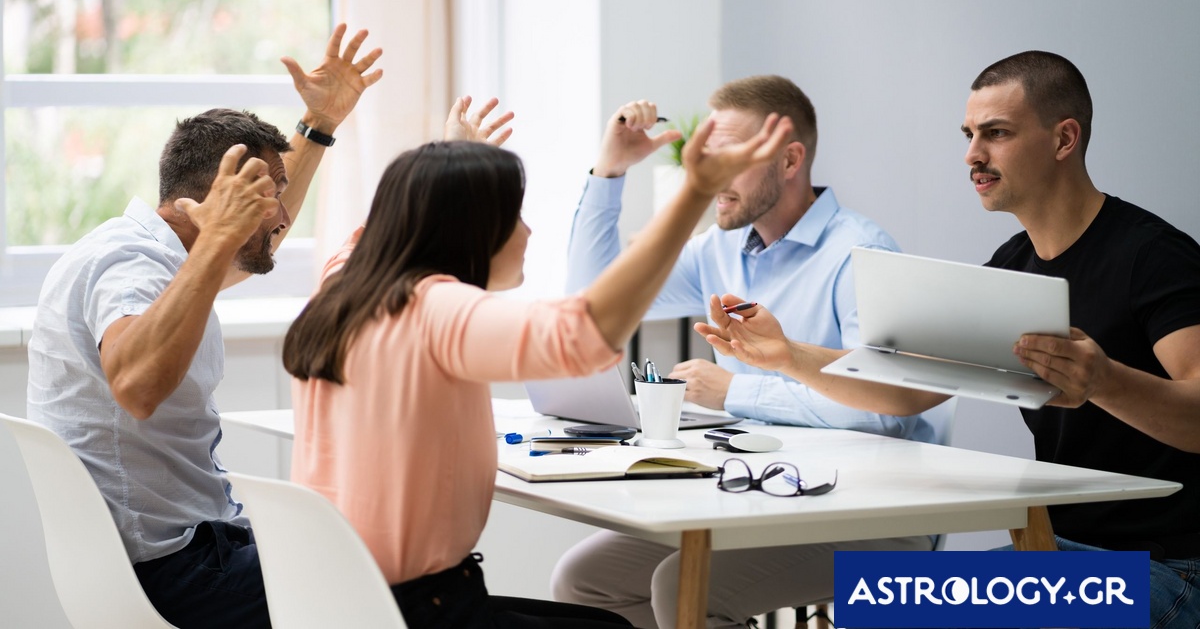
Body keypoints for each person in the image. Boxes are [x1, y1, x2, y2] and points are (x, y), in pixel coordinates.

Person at [696, 51, 1200, 628]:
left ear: (1064, 139)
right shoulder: (1011, 268)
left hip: (1170, 567)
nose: (972, 155)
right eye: (968, 135)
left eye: (997, 133)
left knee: (914, 612)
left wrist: (1105, 381)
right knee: (874, 605)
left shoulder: (1153, 257)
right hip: (1056, 552)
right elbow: (905, 387)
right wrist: (788, 356)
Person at [281, 106, 792, 628]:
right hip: (420, 612)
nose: (528, 230)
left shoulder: (341, 289)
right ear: (473, 229)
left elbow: (391, 222)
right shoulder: (435, 310)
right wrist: (695, 192)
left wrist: (452, 161)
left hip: (339, 604)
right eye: (515, 216)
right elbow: (583, 333)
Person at [26, 25, 382, 628]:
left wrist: (318, 125)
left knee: (361, 560)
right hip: (176, 573)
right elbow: (136, 386)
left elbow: (257, 240)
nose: (282, 216)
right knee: (390, 579)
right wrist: (221, 235)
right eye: (268, 197)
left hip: (181, 554)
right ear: (221, 199)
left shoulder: (168, 258)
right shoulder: (130, 265)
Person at [552, 78, 935, 628]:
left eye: (729, 156)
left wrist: (736, 391)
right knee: (585, 579)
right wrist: (609, 172)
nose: (710, 174)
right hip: (757, 493)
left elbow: (884, 413)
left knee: (682, 587)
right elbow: (593, 301)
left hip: (872, 510)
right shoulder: (720, 247)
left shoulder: (859, 254)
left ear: (790, 160)